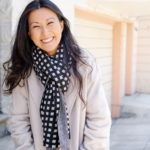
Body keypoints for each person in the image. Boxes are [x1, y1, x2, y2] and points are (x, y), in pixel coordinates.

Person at [3, 0, 111, 150]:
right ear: (29, 32)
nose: (45, 32)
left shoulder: (85, 64)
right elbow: (18, 121)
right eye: (36, 26)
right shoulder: (24, 68)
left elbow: (98, 118)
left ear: (61, 25)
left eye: (50, 23)